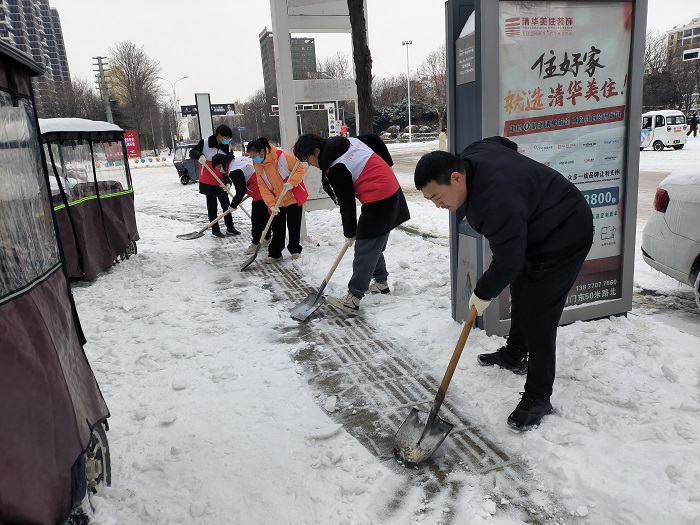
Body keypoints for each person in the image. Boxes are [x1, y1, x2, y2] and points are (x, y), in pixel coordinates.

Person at [414, 136, 593, 431]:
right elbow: (503, 143)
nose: (438, 206)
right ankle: (515, 354)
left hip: (566, 232)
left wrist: (481, 293)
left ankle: (538, 396)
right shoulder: (475, 153)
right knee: (522, 287)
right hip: (534, 228)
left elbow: (507, 262)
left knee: (539, 313)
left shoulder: (493, 204)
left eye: (437, 197)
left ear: (456, 178)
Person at [293, 133, 410, 314]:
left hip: (380, 197)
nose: (309, 165)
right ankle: (380, 283)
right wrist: (388, 166)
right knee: (372, 243)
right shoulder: (346, 141)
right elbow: (374, 139)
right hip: (390, 190)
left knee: (365, 248)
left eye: (307, 159)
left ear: (316, 151)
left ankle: (352, 299)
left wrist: (350, 233)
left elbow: (346, 203)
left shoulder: (335, 166)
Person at [246, 138, 306, 263]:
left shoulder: (282, 157)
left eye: (255, 156)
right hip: (277, 201)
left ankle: (295, 250)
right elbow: (263, 187)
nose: (253, 159)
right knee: (277, 228)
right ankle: (275, 253)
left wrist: (292, 183)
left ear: (262, 151)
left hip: (292, 198)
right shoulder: (258, 166)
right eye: (251, 157)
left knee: (294, 226)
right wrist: (271, 204)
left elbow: (300, 168)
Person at [189, 124, 240, 238]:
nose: (227, 141)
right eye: (226, 138)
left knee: (226, 204)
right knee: (212, 206)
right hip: (207, 180)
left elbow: (226, 167)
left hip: (220, 180)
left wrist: (228, 182)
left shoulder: (225, 147)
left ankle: (230, 227)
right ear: (219, 136)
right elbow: (192, 152)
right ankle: (215, 230)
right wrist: (200, 156)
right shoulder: (205, 143)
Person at [228, 154, 271, 254]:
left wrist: (233, 204)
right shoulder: (237, 160)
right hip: (265, 182)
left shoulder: (234, 171)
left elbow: (241, 190)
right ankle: (267, 237)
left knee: (256, 219)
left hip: (259, 189)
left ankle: (255, 243)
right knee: (264, 215)